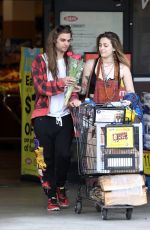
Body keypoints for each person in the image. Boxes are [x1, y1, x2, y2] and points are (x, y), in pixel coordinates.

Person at [31, 25, 80, 211]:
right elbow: (40, 87)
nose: (66, 43)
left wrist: (75, 97)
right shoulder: (40, 61)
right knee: (46, 159)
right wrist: (61, 82)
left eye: (69, 40)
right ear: (54, 40)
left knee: (65, 155)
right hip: (44, 117)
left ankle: (60, 187)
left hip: (65, 116)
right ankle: (51, 196)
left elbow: (73, 90)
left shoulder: (73, 61)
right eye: (63, 40)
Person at [80, 31, 135, 104]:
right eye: (100, 45)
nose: (101, 48)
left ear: (114, 48)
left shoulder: (123, 68)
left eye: (105, 46)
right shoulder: (90, 64)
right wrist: (77, 89)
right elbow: (84, 90)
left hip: (114, 111)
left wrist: (128, 100)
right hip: (93, 109)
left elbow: (131, 92)